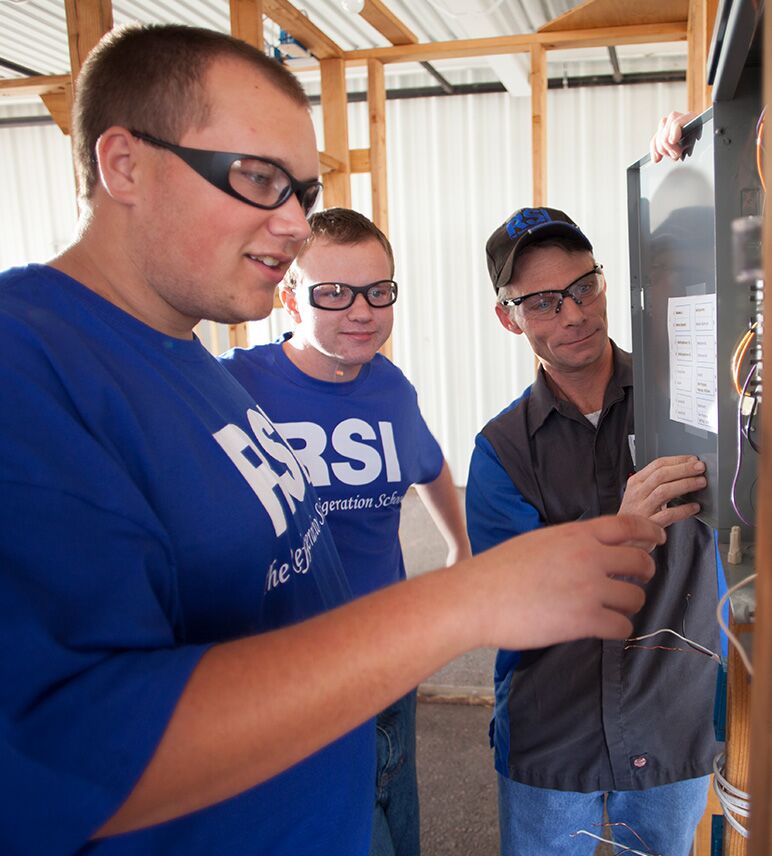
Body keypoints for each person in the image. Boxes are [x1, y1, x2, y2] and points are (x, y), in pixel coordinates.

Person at [0, 24, 664, 854]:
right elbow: (57, 752)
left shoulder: (191, 362)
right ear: (124, 164)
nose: (290, 225)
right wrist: (467, 598)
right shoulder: (27, 364)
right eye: (257, 178)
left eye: (304, 194)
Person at [466, 206, 722, 856]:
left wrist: (688, 148)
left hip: (671, 726)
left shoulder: (691, 406)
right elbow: (511, 607)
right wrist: (624, 528)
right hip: (554, 737)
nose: (574, 314)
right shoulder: (501, 451)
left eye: (584, 287)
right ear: (509, 317)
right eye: (545, 302)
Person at [220, 206, 471, 856]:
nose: (361, 310)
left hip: (390, 657)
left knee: (399, 816)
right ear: (289, 300)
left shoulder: (390, 389)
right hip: (297, 682)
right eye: (333, 293)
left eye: (377, 291)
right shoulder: (235, 387)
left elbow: (429, 461)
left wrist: (459, 548)